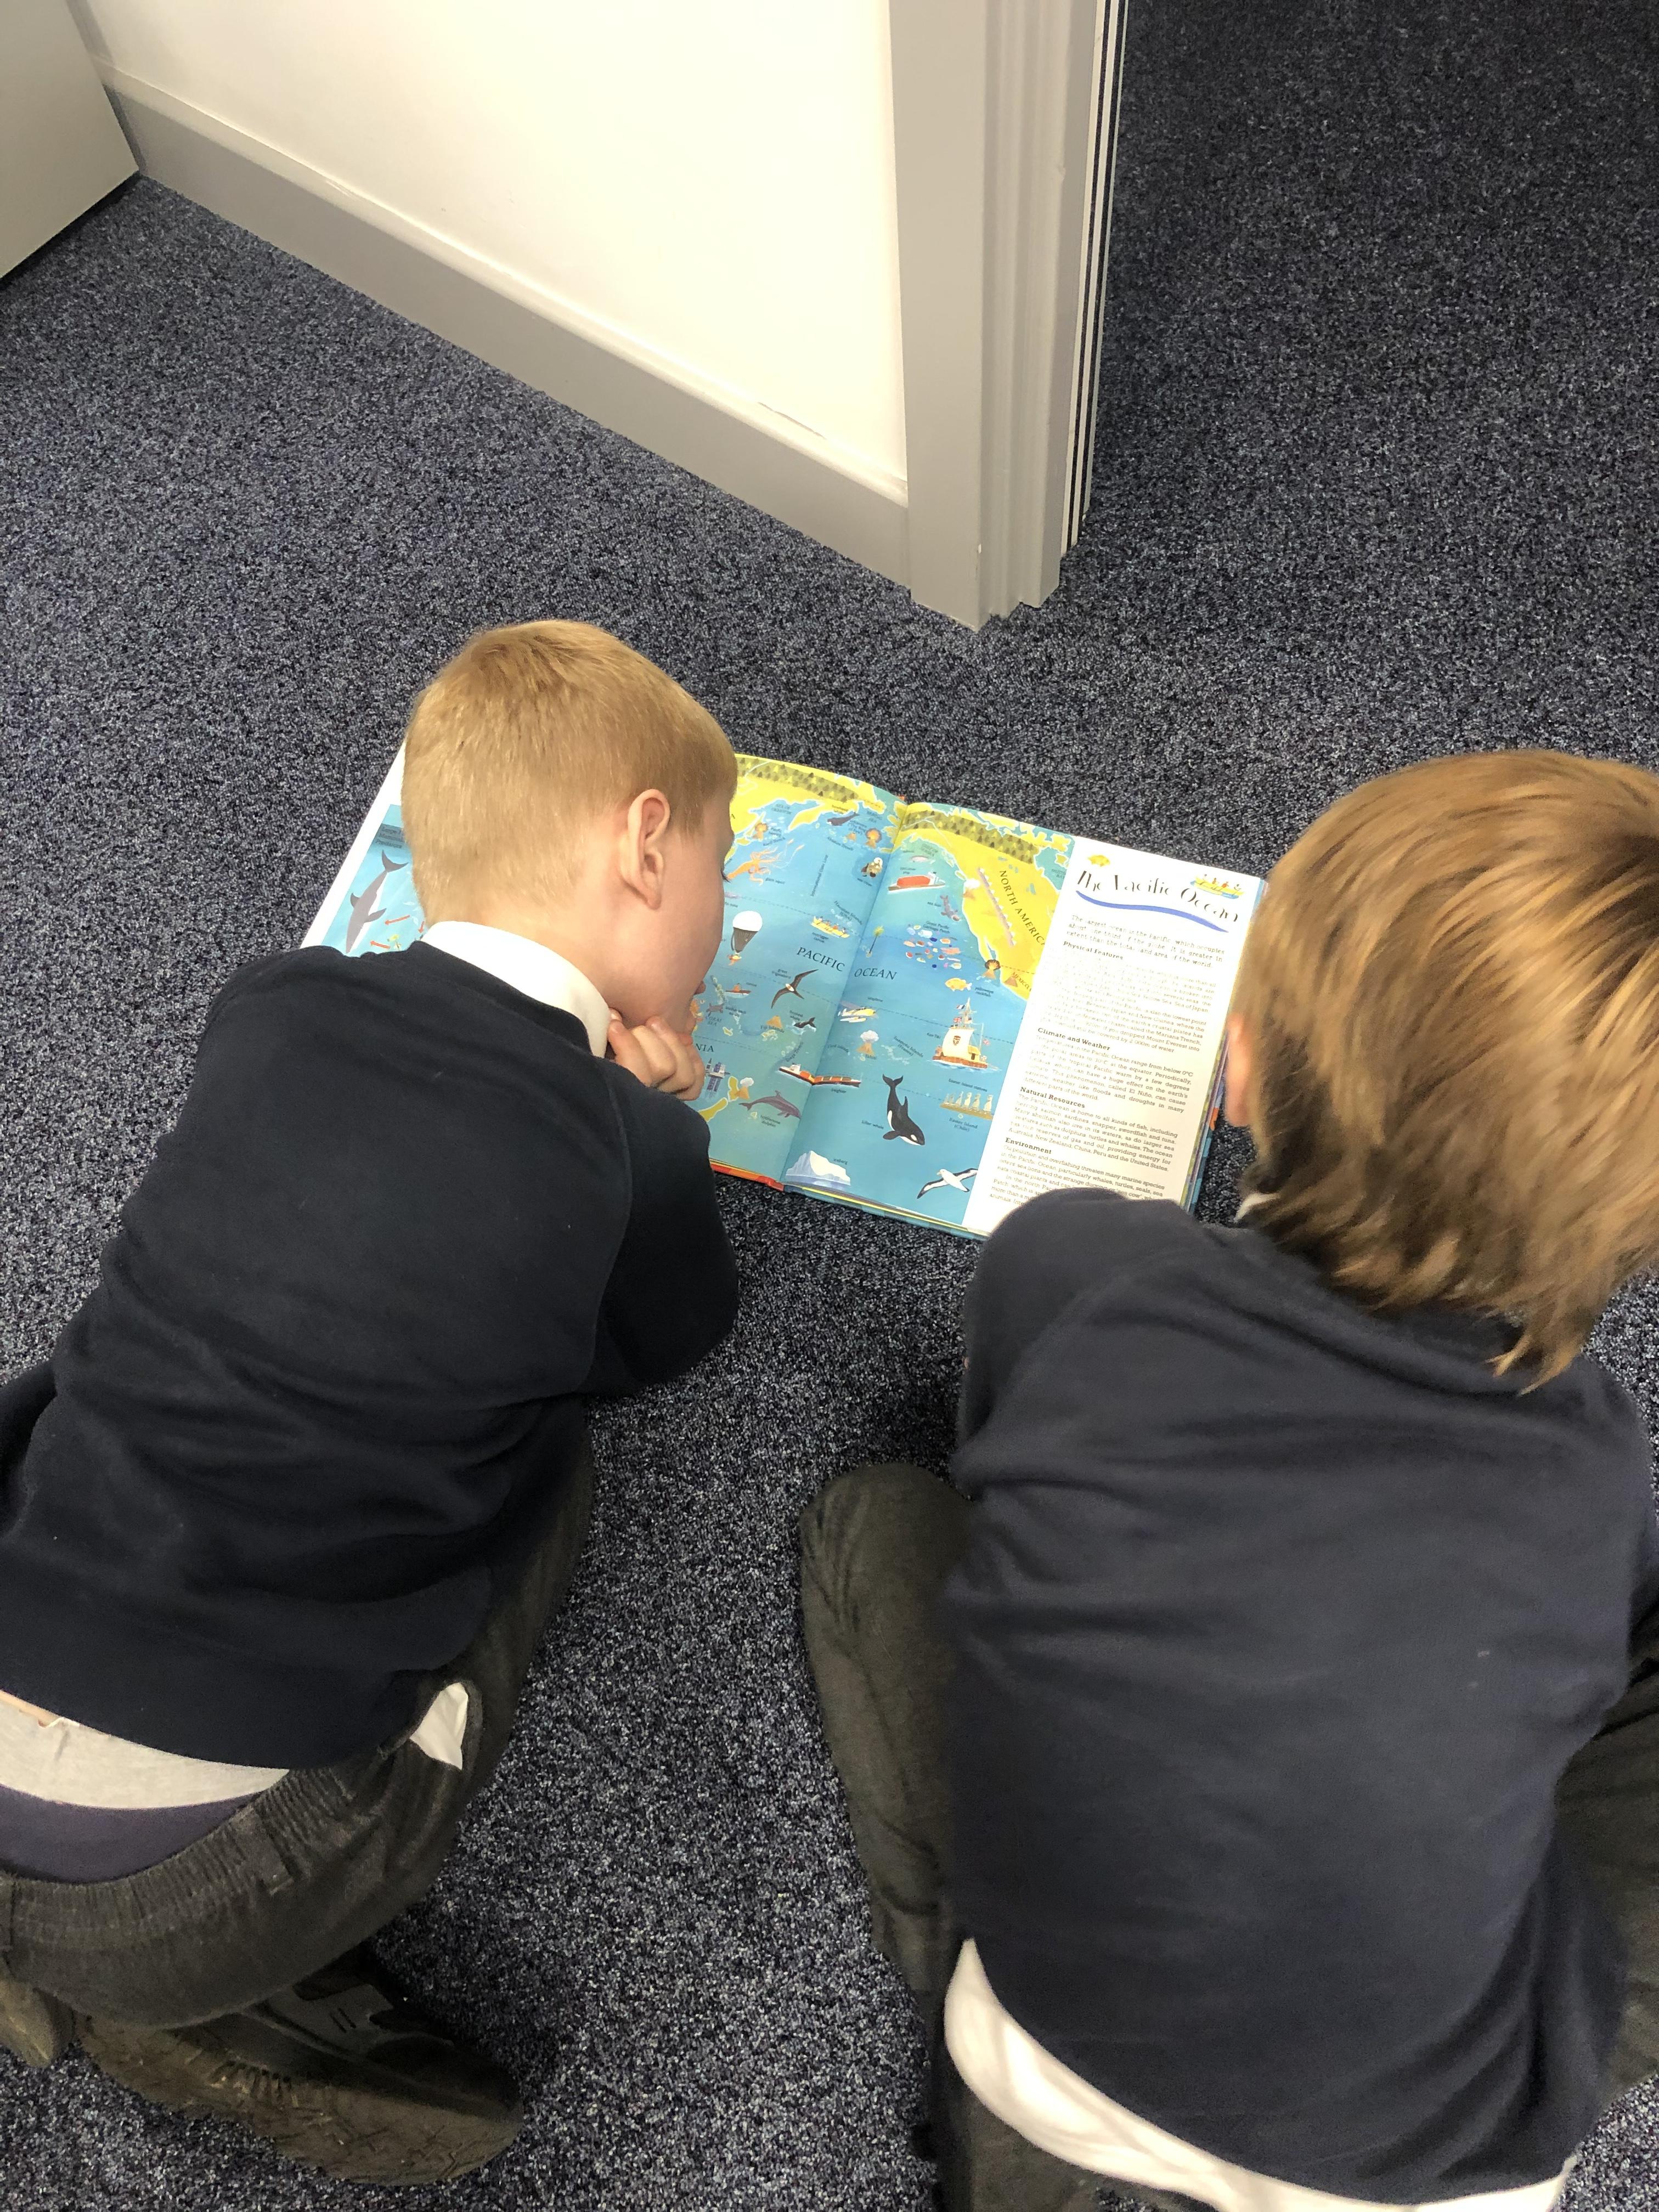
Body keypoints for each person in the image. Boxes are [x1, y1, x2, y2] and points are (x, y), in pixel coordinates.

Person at [801, 751, 1659, 2212]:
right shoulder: (1602, 1468)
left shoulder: (1077, 1267)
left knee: (868, 1522)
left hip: (1051, 2053)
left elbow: (998, 1457)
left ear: (1240, 1068)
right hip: (1437, 2164)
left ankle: (995, 2138)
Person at [0, 620, 740, 2184]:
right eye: (723, 874)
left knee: (118, 1376)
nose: (723, 924)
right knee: (550, 1454)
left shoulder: (271, 1000)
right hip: (186, 1892)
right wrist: (648, 1127)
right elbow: (665, 1340)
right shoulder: (633, 1149)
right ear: (644, 846)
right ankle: (173, 2002)